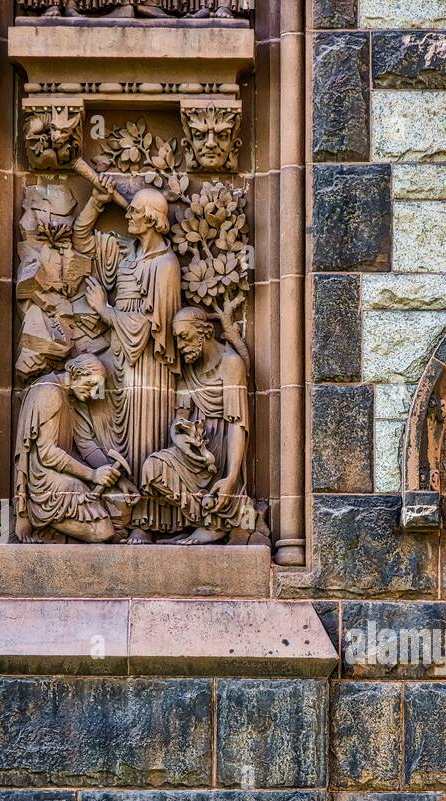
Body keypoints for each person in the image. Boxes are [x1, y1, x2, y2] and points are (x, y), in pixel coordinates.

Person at [76, 180, 182, 542]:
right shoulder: (125, 254)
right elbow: (82, 240)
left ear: (153, 220)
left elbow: (155, 327)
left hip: (149, 366)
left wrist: (105, 311)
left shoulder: (166, 265)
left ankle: (145, 523)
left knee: (144, 438)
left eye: (135, 211)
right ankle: (115, 508)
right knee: (115, 438)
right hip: (120, 361)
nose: (129, 216)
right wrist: (96, 200)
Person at [135, 305, 263, 544]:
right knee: (152, 469)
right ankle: (204, 517)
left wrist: (232, 477)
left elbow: (237, 424)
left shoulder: (230, 363)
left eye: (184, 338)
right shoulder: (189, 367)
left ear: (204, 332)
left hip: (222, 447)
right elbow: (181, 416)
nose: (181, 346)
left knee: (220, 483)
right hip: (194, 448)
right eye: (177, 340)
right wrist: (181, 438)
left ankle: (217, 521)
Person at [13, 354, 132, 543]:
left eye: (97, 389)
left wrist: (113, 476)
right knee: (103, 531)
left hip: (63, 473)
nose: (94, 393)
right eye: (91, 384)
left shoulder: (71, 397)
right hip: (44, 481)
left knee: (118, 505)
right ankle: (44, 520)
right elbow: (48, 454)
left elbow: (85, 444)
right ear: (76, 373)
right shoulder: (50, 391)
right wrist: (93, 475)